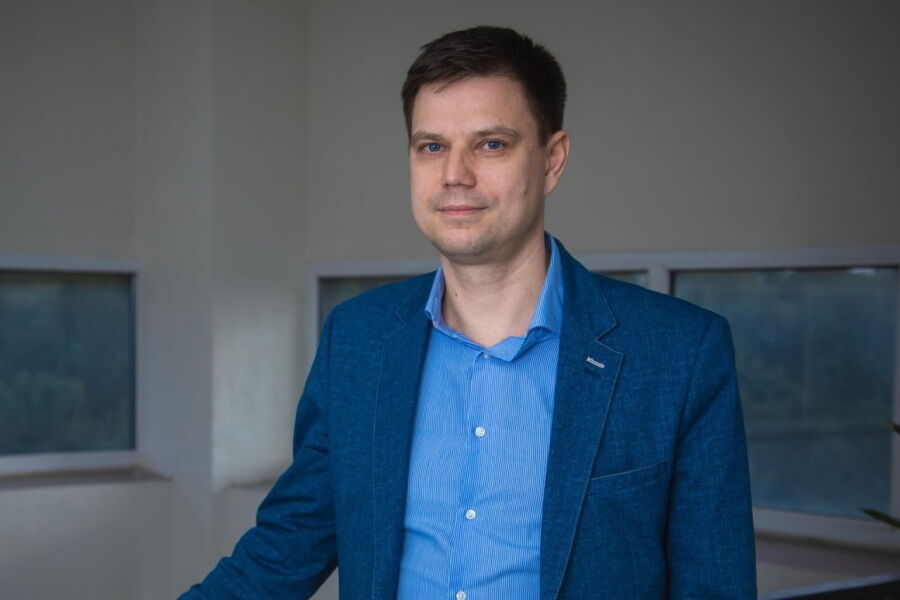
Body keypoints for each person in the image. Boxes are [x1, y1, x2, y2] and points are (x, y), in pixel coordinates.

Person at [181, 25, 756, 600]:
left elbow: (715, 585)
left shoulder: (678, 354)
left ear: (552, 160)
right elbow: (282, 550)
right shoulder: (357, 340)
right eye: (432, 147)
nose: (454, 174)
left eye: (491, 145)